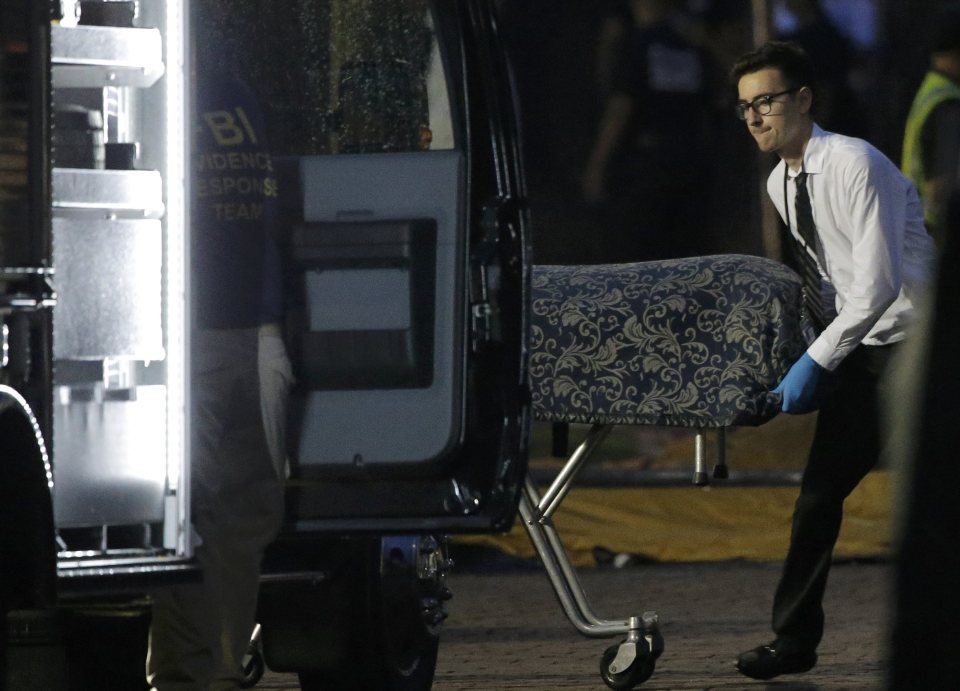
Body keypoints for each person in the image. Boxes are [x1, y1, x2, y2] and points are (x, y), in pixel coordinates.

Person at [730, 41, 936, 681]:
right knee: (819, 497)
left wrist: (817, 362)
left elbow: (876, 286)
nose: (756, 117)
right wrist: (809, 355)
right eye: (744, 108)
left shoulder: (854, 163)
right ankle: (794, 642)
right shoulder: (778, 181)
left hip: (919, 348)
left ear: (803, 100)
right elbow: (830, 282)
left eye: (765, 101)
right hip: (866, 348)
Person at [145, 5, 292, 689]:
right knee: (211, 513)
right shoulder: (178, 93)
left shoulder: (214, 94)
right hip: (204, 333)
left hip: (241, 333)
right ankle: (196, 672)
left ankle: (210, 672)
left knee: (233, 514)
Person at [581, 0, 713, 262]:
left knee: (640, 250)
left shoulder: (638, 45)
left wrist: (597, 166)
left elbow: (622, 107)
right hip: (690, 161)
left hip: (646, 164)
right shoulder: (687, 46)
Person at [901, 8, 960, 248]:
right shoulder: (948, 104)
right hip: (940, 236)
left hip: (919, 229)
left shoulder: (931, 90)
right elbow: (940, 187)